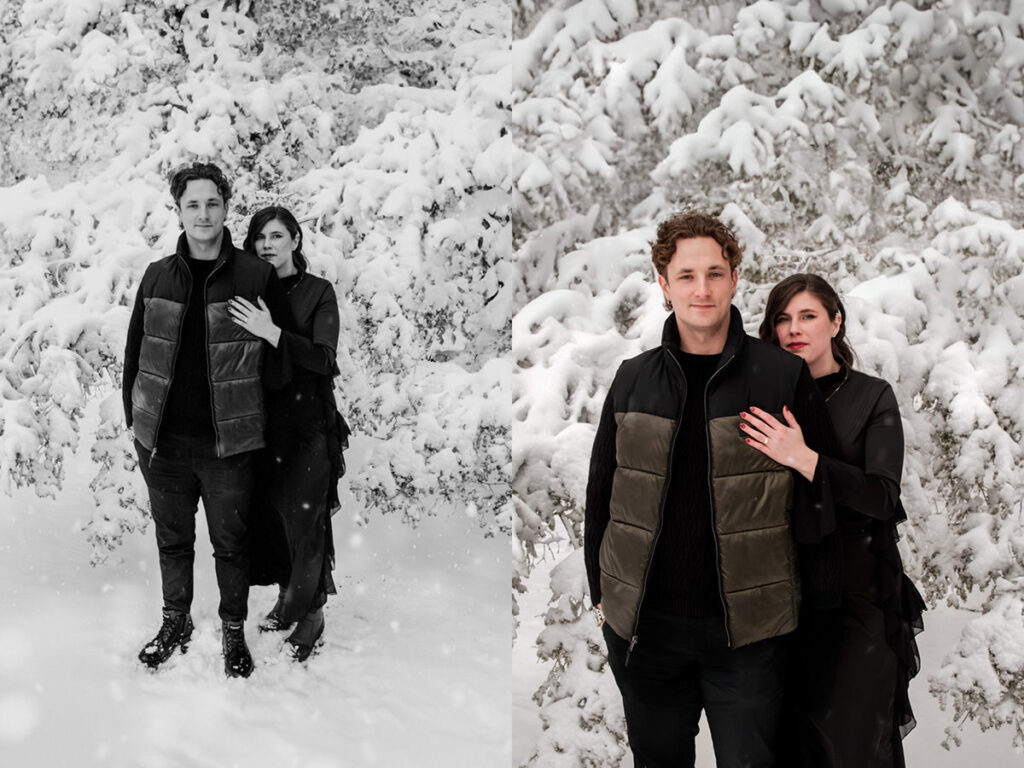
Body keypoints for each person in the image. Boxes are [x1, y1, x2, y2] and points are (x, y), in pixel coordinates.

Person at [584, 211, 841, 768]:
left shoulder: (780, 377)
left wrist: (809, 616)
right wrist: (602, 600)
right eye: (687, 275)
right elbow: (602, 496)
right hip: (646, 635)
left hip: (749, 639)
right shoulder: (633, 379)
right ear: (664, 283)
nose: (702, 289)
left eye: (715, 273)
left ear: (734, 278)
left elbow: (818, 504)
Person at [744, 273, 925, 768]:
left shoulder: (871, 396)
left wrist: (806, 459)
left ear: (836, 322)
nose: (793, 329)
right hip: (779, 604)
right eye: (783, 319)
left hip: (857, 602)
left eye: (808, 316)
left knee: (852, 748)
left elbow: (882, 497)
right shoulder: (762, 398)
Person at [123, 162, 293, 678]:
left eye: (212, 203)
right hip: (164, 445)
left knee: (231, 547)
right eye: (192, 204)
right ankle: (175, 621)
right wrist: (137, 424)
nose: (203, 213)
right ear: (178, 210)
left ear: (226, 207)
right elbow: (135, 354)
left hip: (229, 446)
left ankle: (233, 632)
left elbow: (278, 362)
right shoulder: (157, 275)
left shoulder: (252, 274)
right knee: (172, 541)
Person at [227, 205, 343, 662]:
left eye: (277, 236)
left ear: (295, 240)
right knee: (271, 520)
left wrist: (272, 332)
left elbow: (323, 359)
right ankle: (286, 598)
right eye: (260, 237)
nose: (268, 245)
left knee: (305, 521)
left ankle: (312, 613)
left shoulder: (318, 292)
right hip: (260, 424)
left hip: (308, 423)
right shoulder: (250, 289)